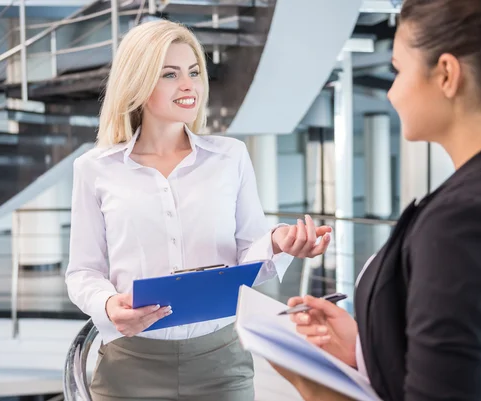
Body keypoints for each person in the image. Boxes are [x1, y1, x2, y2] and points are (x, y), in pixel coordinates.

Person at [65, 19, 333, 401]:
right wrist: (107, 305)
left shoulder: (230, 157)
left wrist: (277, 243)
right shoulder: (95, 169)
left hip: (221, 363)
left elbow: (248, 257)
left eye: (194, 72)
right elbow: (83, 272)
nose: (189, 85)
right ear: (138, 83)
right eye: (170, 74)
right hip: (130, 367)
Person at [272, 0, 481, 400]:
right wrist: (367, 345)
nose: (390, 92)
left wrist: (317, 388)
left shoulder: (466, 218)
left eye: (398, 70)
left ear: (446, 75)